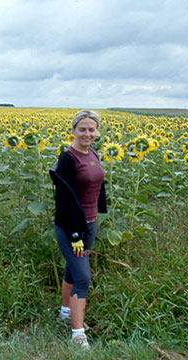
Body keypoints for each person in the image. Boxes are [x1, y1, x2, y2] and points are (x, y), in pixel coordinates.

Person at [49, 109, 107, 349]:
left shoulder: (92, 152)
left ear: (96, 132)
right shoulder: (67, 158)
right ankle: (78, 333)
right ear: (73, 130)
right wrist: (75, 235)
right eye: (82, 129)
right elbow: (64, 199)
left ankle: (65, 312)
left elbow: (96, 184)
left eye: (91, 129)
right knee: (83, 277)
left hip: (90, 223)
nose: (87, 133)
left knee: (73, 270)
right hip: (72, 227)